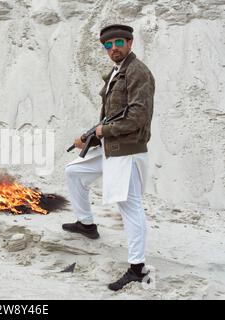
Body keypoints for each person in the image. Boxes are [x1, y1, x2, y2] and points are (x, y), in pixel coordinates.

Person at [63, 24, 155, 291]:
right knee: (74, 172)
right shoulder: (118, 72)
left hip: (126, 150)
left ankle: (137, 269)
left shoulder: (138, 72)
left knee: (130, 206)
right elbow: (110, 116)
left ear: (130, 42)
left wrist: (103, 130)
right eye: (107, 45)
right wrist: (91, 135)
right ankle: (87, 225)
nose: (113, 48)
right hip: (110, 147)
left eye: (118, 43)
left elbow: (137, 117)